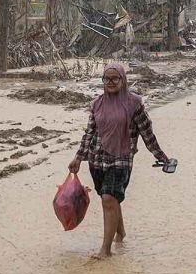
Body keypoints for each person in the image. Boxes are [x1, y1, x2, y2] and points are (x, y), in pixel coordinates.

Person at [68, 63, 170, 258]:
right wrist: (78, 158)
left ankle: (105, 251)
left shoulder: (134, 104)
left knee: (108, 199)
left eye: (115, 79)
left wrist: (161, 157)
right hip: (97, 159)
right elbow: (90, 133)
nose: (110, 82)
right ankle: (120, 233)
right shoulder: (97, 104)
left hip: (121, 159)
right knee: (110, 199)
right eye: (107, 79)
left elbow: (147, 134)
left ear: (123, 80)